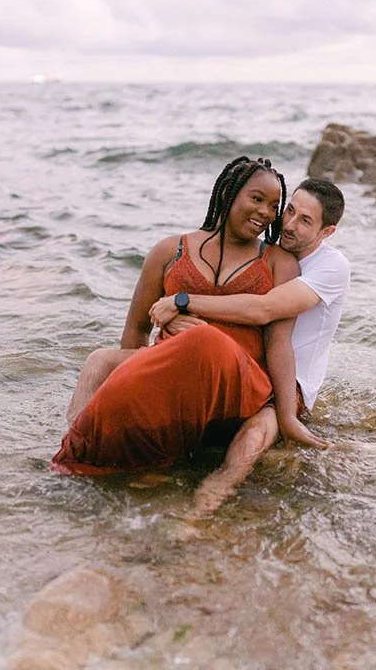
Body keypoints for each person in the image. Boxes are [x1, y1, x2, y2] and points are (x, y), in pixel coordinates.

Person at [61, 176, 350, 514]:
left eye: (304, 221)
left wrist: (182, 302)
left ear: (326, 232)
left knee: (256, 432)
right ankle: (76, 444)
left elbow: (263, 311)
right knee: (99, 360)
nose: (286, 223)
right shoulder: (250, 252)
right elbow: (160, 324)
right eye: (287, 211)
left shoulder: (329, 266)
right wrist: (167, 324)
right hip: (231, 366)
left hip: (287, 383)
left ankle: (207, 503)